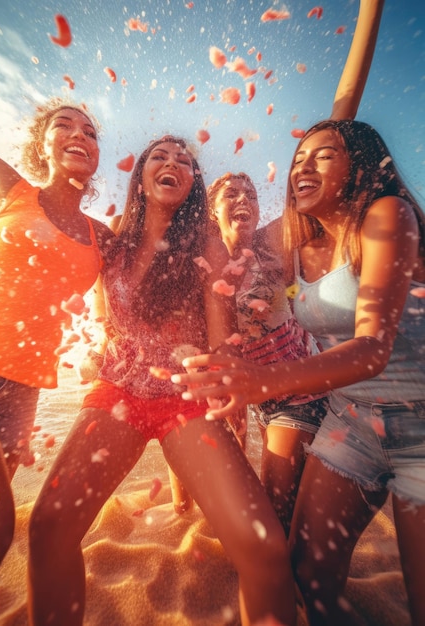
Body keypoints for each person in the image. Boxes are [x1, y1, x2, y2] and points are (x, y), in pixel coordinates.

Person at [27, 135, 297, 626]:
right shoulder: (111, 235)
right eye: (159, 157)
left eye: (184, 161)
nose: (171, 163)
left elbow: (219, 341)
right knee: (48, 526)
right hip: (117, 392)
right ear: (141, 177)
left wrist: (226, 393)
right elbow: (101, 312)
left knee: (266, 550)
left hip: (185, 400)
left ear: (194, 183)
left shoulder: (206, 245)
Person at [171, 119, 425, 626]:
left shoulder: (382, 217)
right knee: (307, 574)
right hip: (350, 420)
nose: (303, 167)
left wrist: (259, 381)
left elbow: (373, 349)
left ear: (360, 165)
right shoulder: (288, 248)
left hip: (414, 423)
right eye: (298, 159)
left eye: (324, 155)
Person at [0, 98, 113, 625]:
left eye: (90, 131)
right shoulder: (7, 189)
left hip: (22, 395)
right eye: (62, 125)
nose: (79, 134)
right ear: (40, 144)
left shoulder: (100, 237)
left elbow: (162, 254)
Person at [205, 171, 327, 535]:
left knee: (274, 514)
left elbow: (308, 193)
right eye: (231, 194)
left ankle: (290, 585)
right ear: (212, 211)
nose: (244, 200)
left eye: (252, 195)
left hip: (304, 392)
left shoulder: (270, 244)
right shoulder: (206, 264)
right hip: (259, 400)